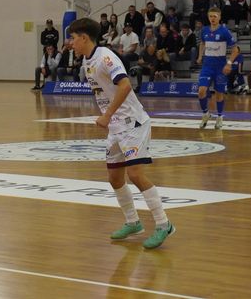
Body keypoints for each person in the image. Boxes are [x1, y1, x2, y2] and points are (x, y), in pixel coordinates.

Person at [68, 17, 175, 249]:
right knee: (115, 178)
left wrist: (107, 115)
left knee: (135, 174)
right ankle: (133, 222)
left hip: (132, 122)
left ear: (84, 37)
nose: (71, 43)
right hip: (116, 126)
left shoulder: (106, 56)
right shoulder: (87, 61)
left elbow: (125, 85)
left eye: (73, 38)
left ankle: (163, 223)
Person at [196, 7, 240, 130]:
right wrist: (200, 56)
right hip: (207, 66)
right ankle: (205, 114)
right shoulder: (204, 30)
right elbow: (202, 43)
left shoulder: (224, 31)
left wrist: (229, 63)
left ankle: (220, 117)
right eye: (210, 16)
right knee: (201, 91)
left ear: (219, 17)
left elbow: (236, 50)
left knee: (219, 94)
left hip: (220, 67)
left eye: (215, 16)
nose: (212, 19)